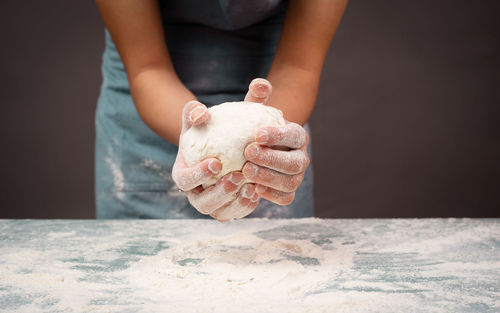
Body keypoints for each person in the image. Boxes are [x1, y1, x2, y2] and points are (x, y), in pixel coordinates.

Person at [95, 0, 347, 220]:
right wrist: (197, 141)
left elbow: (298, 68)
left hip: (277, 102)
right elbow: (148, 69)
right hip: (149, 121)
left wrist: (273, 141)